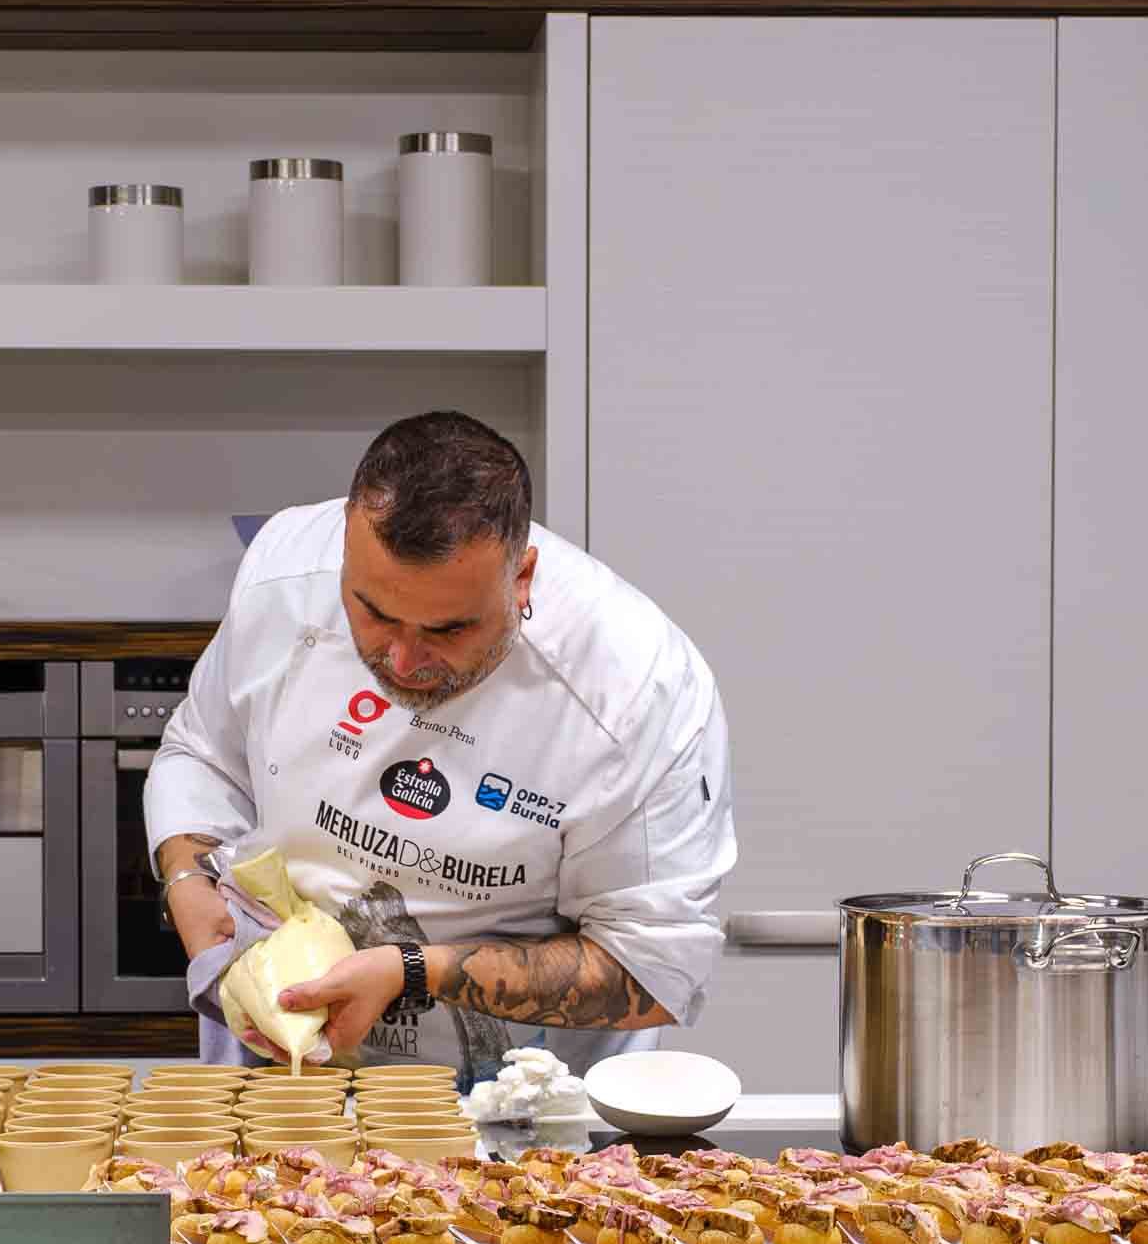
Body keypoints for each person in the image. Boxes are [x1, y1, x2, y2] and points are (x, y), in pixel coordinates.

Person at [144, 410, 736, 1079]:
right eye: (372, 611)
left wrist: (413, 971)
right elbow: (202, 754)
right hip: (284, 1064)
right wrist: (189, 879)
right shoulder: (284, 574)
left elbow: (654, 968)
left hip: (525, 1104)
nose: (401, 657)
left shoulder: (637, 688)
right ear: (342, 549)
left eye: (447, 629)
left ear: (522, 578)